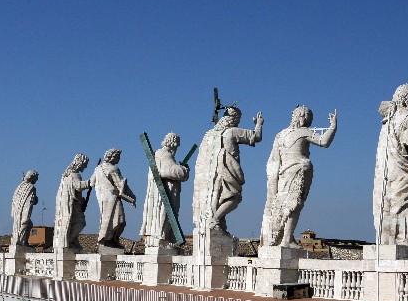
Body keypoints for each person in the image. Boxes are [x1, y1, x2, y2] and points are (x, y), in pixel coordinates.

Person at [260, 105, 338, 247]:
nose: (308, 121)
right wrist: (333, 126)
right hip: (299, 170)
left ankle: (283, 238)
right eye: (308, 117)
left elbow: (274, 160)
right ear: (302, 117)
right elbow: (324, 141)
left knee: (285, 204)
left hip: (284, 172)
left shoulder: (280, 135)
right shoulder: (303, 132)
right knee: (295, 204)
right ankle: (286, 239)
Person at [193, 106, 263, 234]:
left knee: (218, 200)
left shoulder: (209, 135)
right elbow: (256, 137)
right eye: (238, 119)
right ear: (235, 118)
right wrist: (259, 124)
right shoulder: (232, 132)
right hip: (227, 171)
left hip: (211, 175)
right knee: (234, 197)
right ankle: (215, 220)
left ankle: (217, 223)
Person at [373, 84, 408, 246]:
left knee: (389, 201)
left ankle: (389, 240)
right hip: (400, 168)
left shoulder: (387, 119)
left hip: (384, 169)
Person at [140, 133, 189, 248]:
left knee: (160, 216)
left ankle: (159, 239)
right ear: (174, 144)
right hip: (165, 193)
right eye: (177, 145)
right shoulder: (165, 155)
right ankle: (163, 240)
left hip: (158, 193)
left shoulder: (157, 154)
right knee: (164, 216)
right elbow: (169, 171)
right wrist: (184, 170)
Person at [90, 149, 136, 249]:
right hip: (112, 197)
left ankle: (106, 240)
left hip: (101, 197)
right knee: (120, 220)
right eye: (118, 157)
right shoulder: (113, 169)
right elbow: (121, 185)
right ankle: (111, 240)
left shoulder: (98, 168)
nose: (118, 160)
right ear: (112, 157)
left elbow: (92, 183)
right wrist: (132, 197)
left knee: (106, 218)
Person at [53, 154, 91, 250]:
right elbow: (78, 186)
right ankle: (69, 240)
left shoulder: (66, 175)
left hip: (71, 203)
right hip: (72, 205)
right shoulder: (75, 175)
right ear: (80, 163)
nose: (85, 167)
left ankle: (72, 241)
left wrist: (81, 200)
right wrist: (91, 182)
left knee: (74, 223)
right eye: (85, 164)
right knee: (81, 222)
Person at [11, 170, 39, 246]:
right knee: (26, 223)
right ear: (32, 178)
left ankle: (20, 241)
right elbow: (30, 202)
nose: (36, 181)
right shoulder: (31, 187)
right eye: (36, 179)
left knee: (28, 224)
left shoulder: (19, 186)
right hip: (23, 211)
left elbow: (14, 200)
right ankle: (20, 242)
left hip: (16, 211)